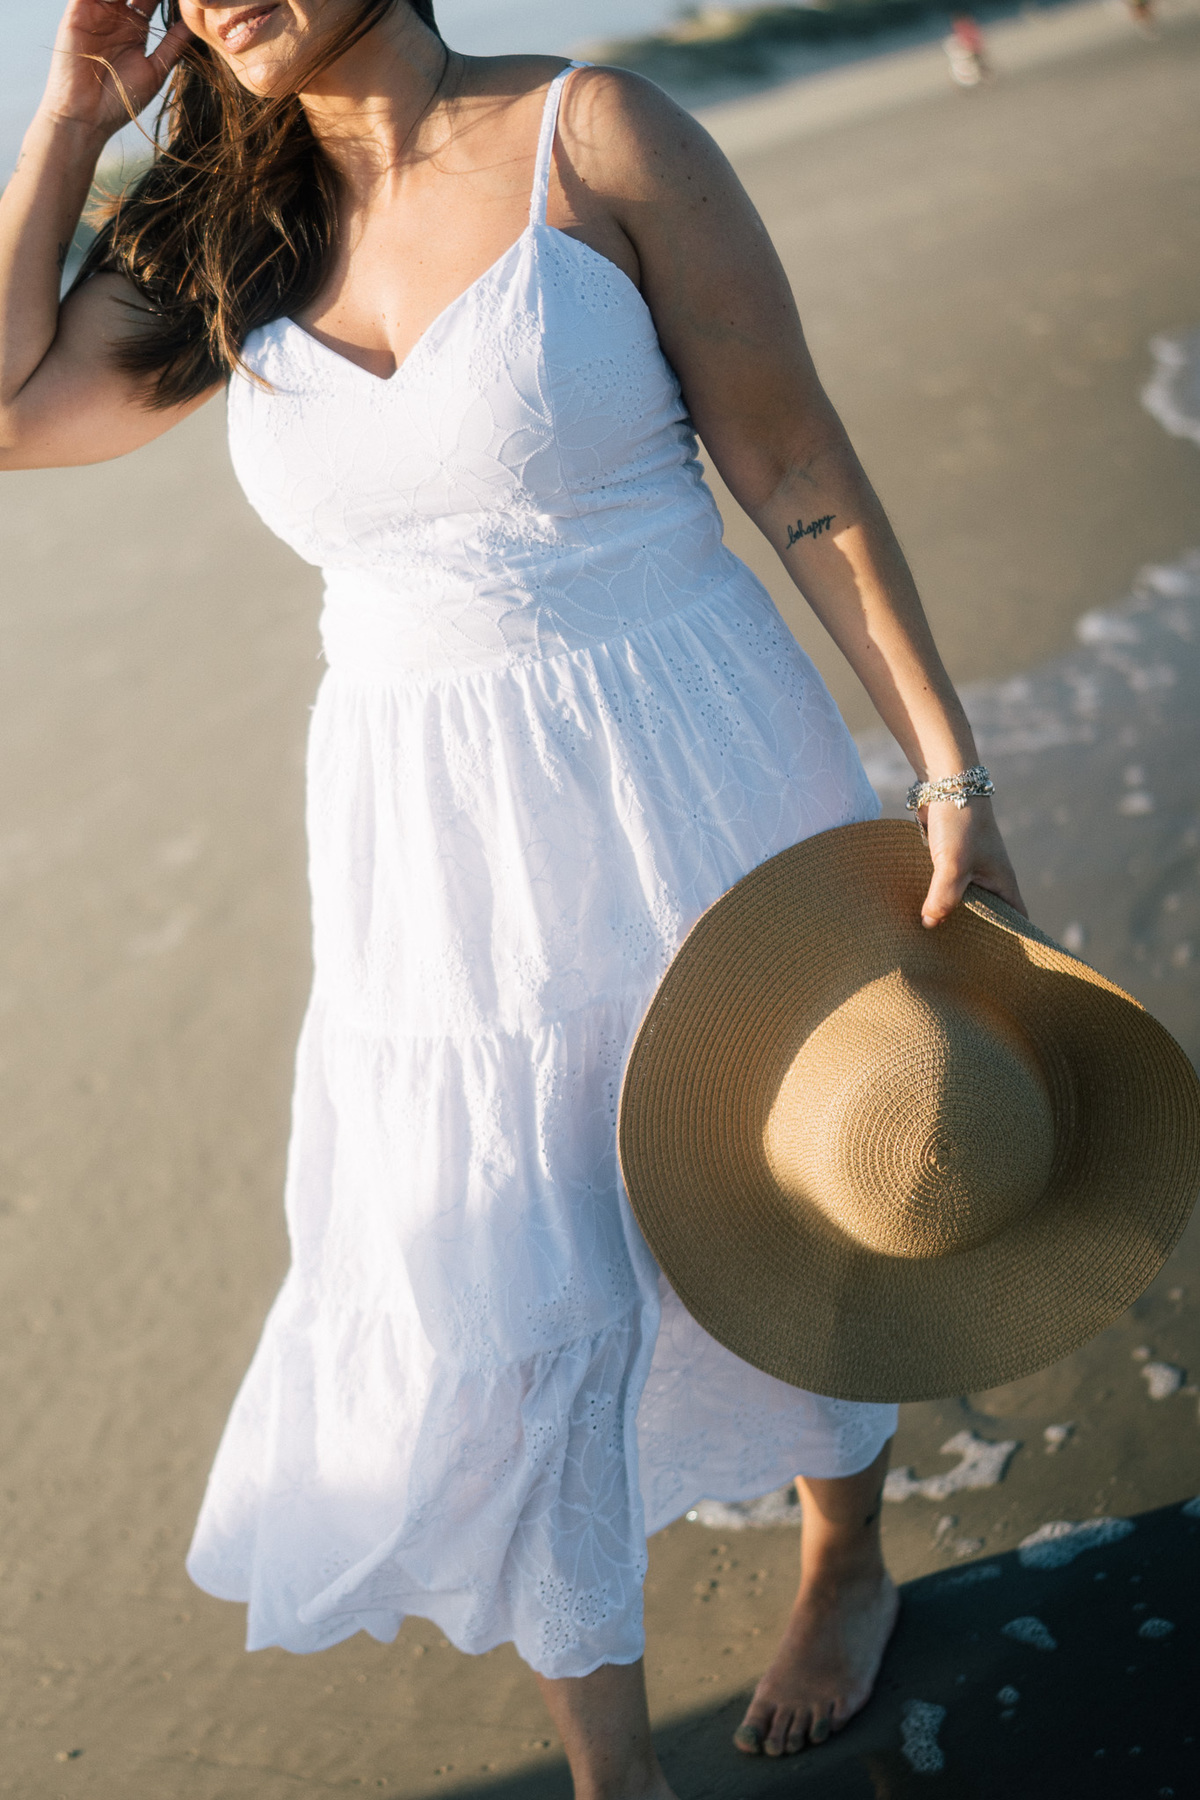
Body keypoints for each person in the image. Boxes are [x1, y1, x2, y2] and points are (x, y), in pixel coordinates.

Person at [0, 3, 1025, 1795]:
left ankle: (844, 1548)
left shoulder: (600, 133)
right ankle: (609, 1770)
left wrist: (946, 763)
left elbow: (791, 464)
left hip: (693, 756)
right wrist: (73, 122)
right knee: (505, 1268)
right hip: (430, 844)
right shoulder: (227, 231)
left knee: (794, 1180)